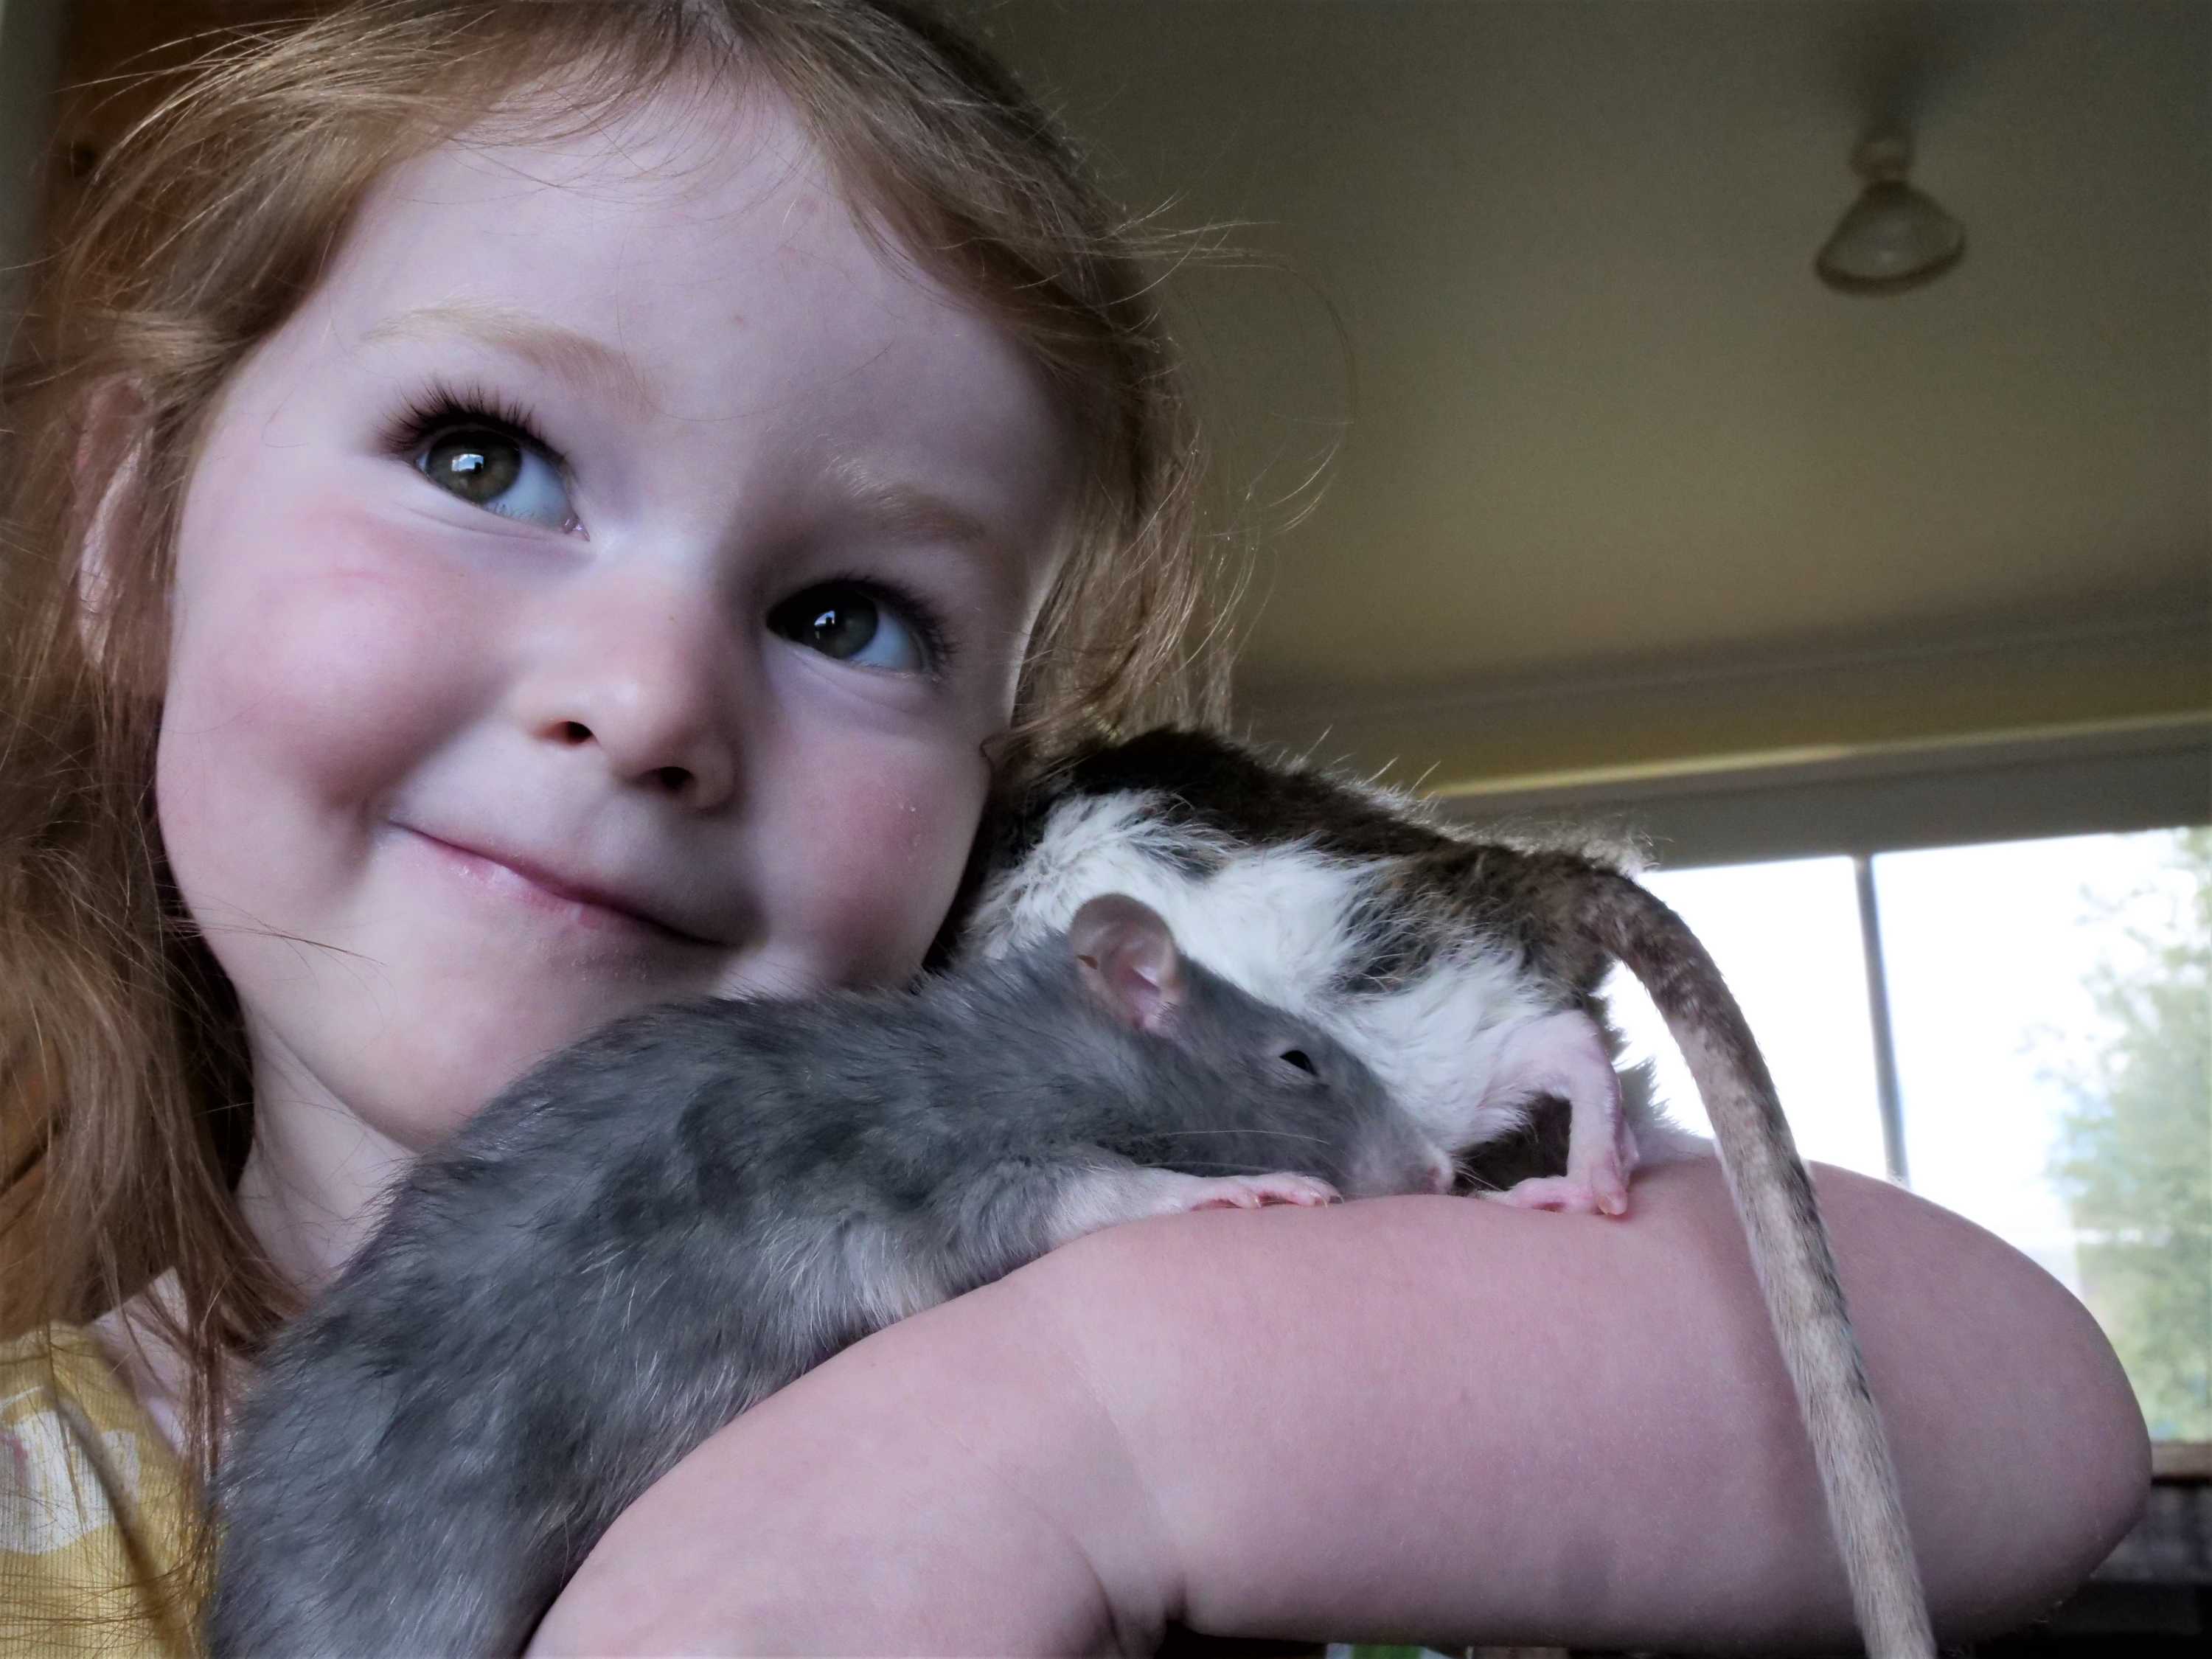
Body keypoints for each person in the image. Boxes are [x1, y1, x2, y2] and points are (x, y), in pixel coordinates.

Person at [0, 3, 2146, 1654]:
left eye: (851, 614)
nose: (652, 697)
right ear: (122, 533)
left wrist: (1083, 1424)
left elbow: (2029, 1410)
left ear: (992, 783)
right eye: (483, 458)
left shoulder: (1092, 1189)